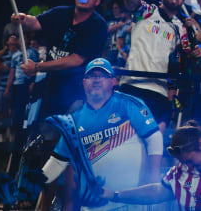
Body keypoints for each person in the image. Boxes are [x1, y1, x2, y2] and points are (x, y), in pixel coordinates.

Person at [39, 59, 163, 211]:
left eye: (102, 75)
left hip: (129, 203)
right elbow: (58, 162)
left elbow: (154, 138)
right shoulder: (74, 121)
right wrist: (33, 183)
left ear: (113, 81)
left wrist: (153, 177)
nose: (97, 79)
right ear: (84, 82)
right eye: (92, 75)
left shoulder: (130, 104)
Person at [12, 0, 110, 118]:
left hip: (77, 89)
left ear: (98, 1)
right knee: (43, 123)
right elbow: (35, 22)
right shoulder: (60, 12)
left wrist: (37, 67)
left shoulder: (98, 25)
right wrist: (22, 19)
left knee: (68, 126)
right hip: (51, 83)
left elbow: (75, 60)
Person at [102, 122, 201, 211]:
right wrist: (114, 195)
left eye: (190, 161)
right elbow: (157, 192)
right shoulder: (181, 170)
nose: (188, 167)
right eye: (184, 162)